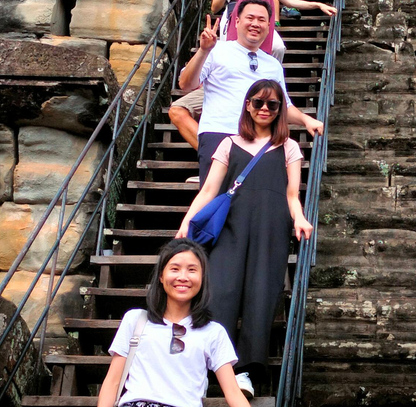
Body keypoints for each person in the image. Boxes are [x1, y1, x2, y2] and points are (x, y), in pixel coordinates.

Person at [176, 79, 313, 397]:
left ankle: (245, 372)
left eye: (272, 105)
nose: (264, 109)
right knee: (221, 292)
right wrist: (187, 222)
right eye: (258, 103)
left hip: (271, 229)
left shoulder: (289, 147)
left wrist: (300, 219)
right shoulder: (228, 143)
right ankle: (211, 366)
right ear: (247, 105)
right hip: (231, 228)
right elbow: (209, 189)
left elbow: (293, 195)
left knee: (260, 297)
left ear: (280, 110)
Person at [169, 0, 335, 154]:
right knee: (181, 110)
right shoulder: (239, 3)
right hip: (225, 66)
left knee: (179, 110)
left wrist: (249, 57)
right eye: (250, 18)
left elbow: (264, 29)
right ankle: (212, 156)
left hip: (240, 67)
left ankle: (213, 157)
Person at [178, 0, 323, 185]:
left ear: (269, 26)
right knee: (214, 201)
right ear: (237, 21)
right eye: (250, 18)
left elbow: (283, 105)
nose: (255, 24)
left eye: (262, 20)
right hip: (219, 133)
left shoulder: (273, 64)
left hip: (259, 140)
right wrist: (203, 51)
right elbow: (186, 84)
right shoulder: (217, 50)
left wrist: (306, 120)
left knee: (252, 204)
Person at [97, 239, 252, 407]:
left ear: (202, 278)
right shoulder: (135, 320)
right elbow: (112, 382)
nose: (183, 277)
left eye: (192, 270)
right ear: (161, 276)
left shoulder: (213, 332)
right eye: (175, 269)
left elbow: (233, 393)